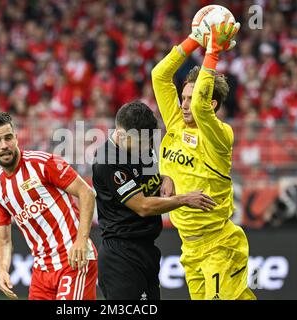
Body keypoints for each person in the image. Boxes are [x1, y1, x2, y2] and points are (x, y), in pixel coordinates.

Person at [151, 18, 256, 300]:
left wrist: (213, 52)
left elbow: (198, 104)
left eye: (189, 98)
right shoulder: (176, 124)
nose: (183, 104)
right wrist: (194, 39)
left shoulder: (219, 136)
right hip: (190, 248)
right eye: (182, 98)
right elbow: (159, 76)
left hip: (219, 246)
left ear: (210, 104)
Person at [92, 101, 216, 300]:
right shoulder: (108, 161)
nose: (149, 146)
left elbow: (152, 178)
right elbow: (142, 206)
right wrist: (184, 199)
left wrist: (166, 178)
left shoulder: (141, 145)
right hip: (122, 257)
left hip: (147, 249)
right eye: (144, 142)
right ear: (123, 135)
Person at [0, 111, 97, 300]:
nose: (4, 145)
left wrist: (81, 241)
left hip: (74, 261)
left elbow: (86, 193)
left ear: (16, 138)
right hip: (41, 272)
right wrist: (2, 271)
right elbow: (3, 240)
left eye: (8, 138)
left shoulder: (43, 164)